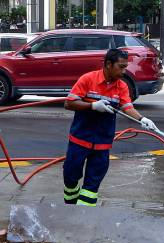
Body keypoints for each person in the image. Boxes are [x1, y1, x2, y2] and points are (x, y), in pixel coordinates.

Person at [62, 48, 155, 206]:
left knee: (92, 185)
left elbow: (127, 107)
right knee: (70, 175)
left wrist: (142, 119)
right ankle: (70, 207)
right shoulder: (88, 79)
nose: (124, 71)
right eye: (121, 66)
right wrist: (92, 106)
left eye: (126, 66)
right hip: (80, 139)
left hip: (102, 142)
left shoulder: (122, 86)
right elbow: (68, 103)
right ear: (108, 64)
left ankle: (83, 215)